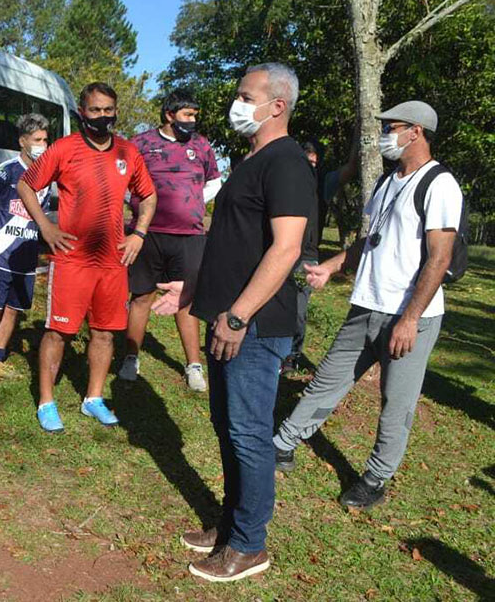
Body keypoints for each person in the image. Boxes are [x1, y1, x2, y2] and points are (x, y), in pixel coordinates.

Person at [274, 101, 462, 510]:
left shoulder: (440, 184)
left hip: (409, 316)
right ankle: (284, 443)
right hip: (366, 305)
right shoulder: (387, 181)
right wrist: (331, 266)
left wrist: (410, 318)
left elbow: (440, 258)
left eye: (391, 128)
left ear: (415, 131)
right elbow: (370, 241)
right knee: (327, 380)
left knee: (396, 402)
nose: (384, 136)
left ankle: (376, 478)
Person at [172, 63, 312, 583]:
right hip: (225, 318)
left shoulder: (287, 162)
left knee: (249, 433)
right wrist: (195, 291)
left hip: (252, 325)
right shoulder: (251, 160)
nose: (237, 104)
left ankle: (250, 545)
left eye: (246, 96)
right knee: (227, 428)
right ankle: (232, 524)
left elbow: (286, 248)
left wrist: (238, 314)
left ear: (277, 105)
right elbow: (232, 239)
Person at [18, 82, 157, 433]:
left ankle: (93, 398)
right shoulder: (65, 148)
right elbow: (26, 185)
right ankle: (46, 401)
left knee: (105, 333)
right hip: (72, 259)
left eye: (108, 110)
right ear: (82, 112)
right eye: (95, 110)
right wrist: (46, 228)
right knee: (58, 332)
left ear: (116, 112)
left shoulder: (128, 152)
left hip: (112, 260)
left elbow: (148, 195)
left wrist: (139, 234)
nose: (102, 116)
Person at [119, 89, 222, 392]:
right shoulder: (140, 143)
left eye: (194, 115)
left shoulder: (201, 145)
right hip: (147, 234)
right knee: (141, 297)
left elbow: (215, 181)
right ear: (169, 114)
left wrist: (193, 201)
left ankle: (194, 366)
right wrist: (137, 205)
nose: (192, 120)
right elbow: (121, 180)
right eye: (187, 114)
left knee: (185, 300)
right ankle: (130, 357)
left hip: (190, 236)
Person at [0, 113, 52, 387]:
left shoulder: (46, 176)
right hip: (0, 254)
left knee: (12, 310)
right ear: (23, 141)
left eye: (45, 140)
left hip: (27, 256)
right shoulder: (6, 171)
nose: (42, 145)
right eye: (37, 139)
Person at [281, 140, 324, 373]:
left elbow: (347, 170)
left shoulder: (322, 186)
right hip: (284, 251)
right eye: (308, 162)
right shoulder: (287, 183)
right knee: (278, 305)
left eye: (315, 164)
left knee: (298, 311)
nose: (311, 167)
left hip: (307, 258)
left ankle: (292, 355)